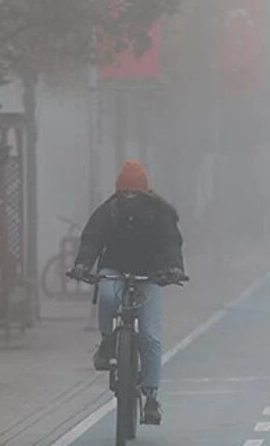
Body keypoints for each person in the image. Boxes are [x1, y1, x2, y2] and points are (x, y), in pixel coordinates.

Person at [70, 160, 185, 425]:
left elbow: (171, 243)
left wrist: (174, 268)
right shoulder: (107, 211)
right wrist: (83, 264)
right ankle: (108, 340)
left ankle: (152, 398)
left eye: (135, 192)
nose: (130, 197)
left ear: (145, 191)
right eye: (125, 192)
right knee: (108, 295)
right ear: (118, 191)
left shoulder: (161, 213)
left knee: (151, 336)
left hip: (150, 276)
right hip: (115, 270)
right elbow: (92, 239)